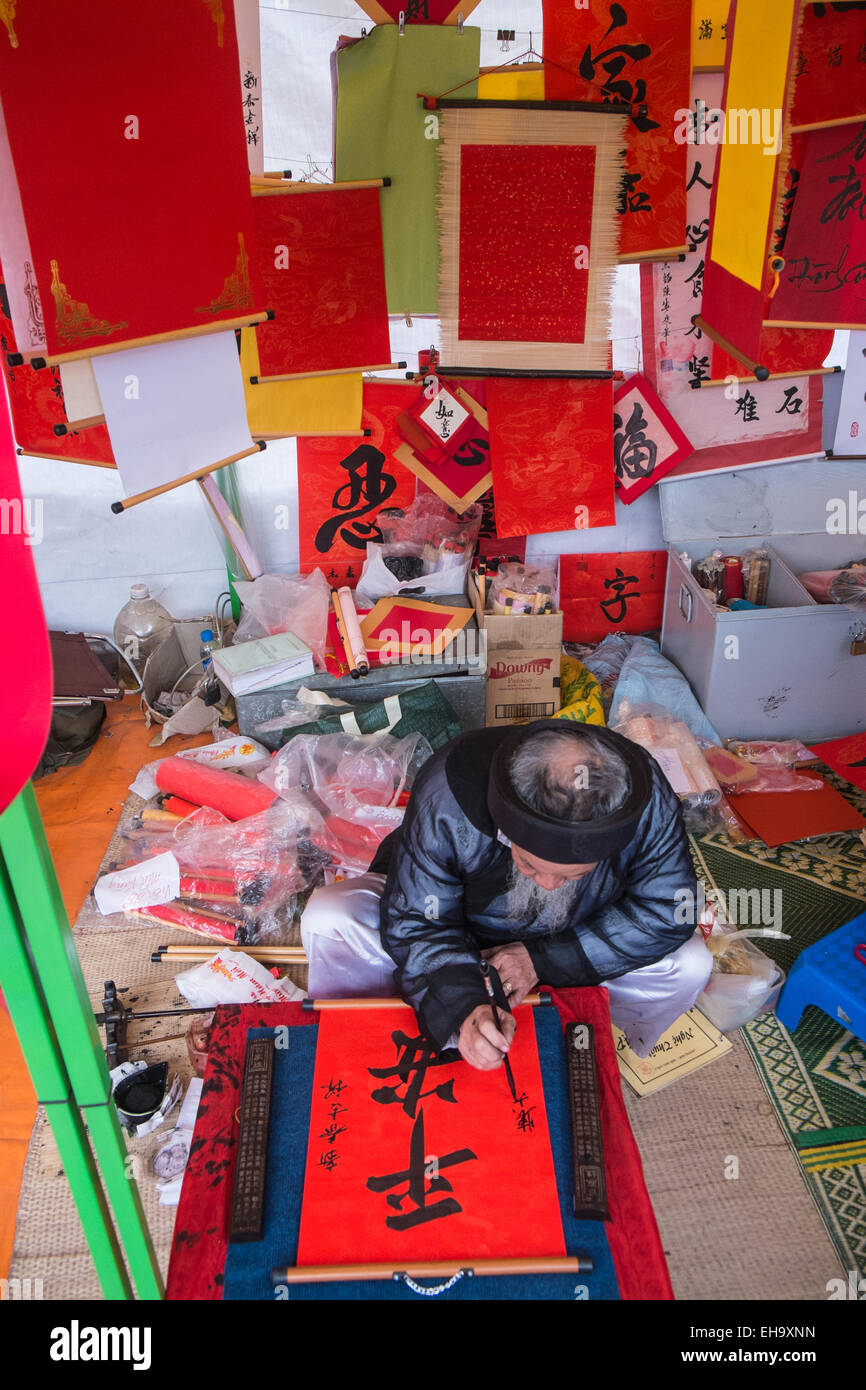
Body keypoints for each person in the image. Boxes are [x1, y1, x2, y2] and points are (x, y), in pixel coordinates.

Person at [301, 720, 713, 1070]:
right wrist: (463, 1004)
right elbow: (420, 919)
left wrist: (541, 959)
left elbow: (666, 910)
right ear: (507, 828)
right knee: (330, 916)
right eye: (530, 866)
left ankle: (599, 1050)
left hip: (581, 936)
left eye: (574, 874)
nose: (548, 885)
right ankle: (364, 1039)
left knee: (690, 964)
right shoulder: (451, 788)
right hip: (455, 926)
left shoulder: (643, 795)